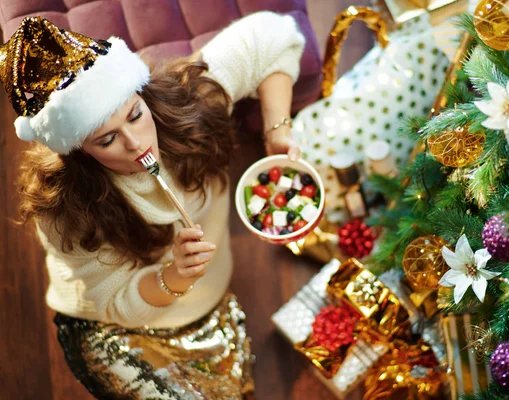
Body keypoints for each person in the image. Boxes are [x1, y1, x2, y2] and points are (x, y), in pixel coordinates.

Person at [3, 11, 305, 399]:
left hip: (200, 296)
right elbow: (112, 300)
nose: (135, 142)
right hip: (113, 325)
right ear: (79, 151)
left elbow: (276, 34)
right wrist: (176, 275)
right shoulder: (62, 208)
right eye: (107, 140)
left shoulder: (189, 102)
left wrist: (277, 131)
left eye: (134, 115)